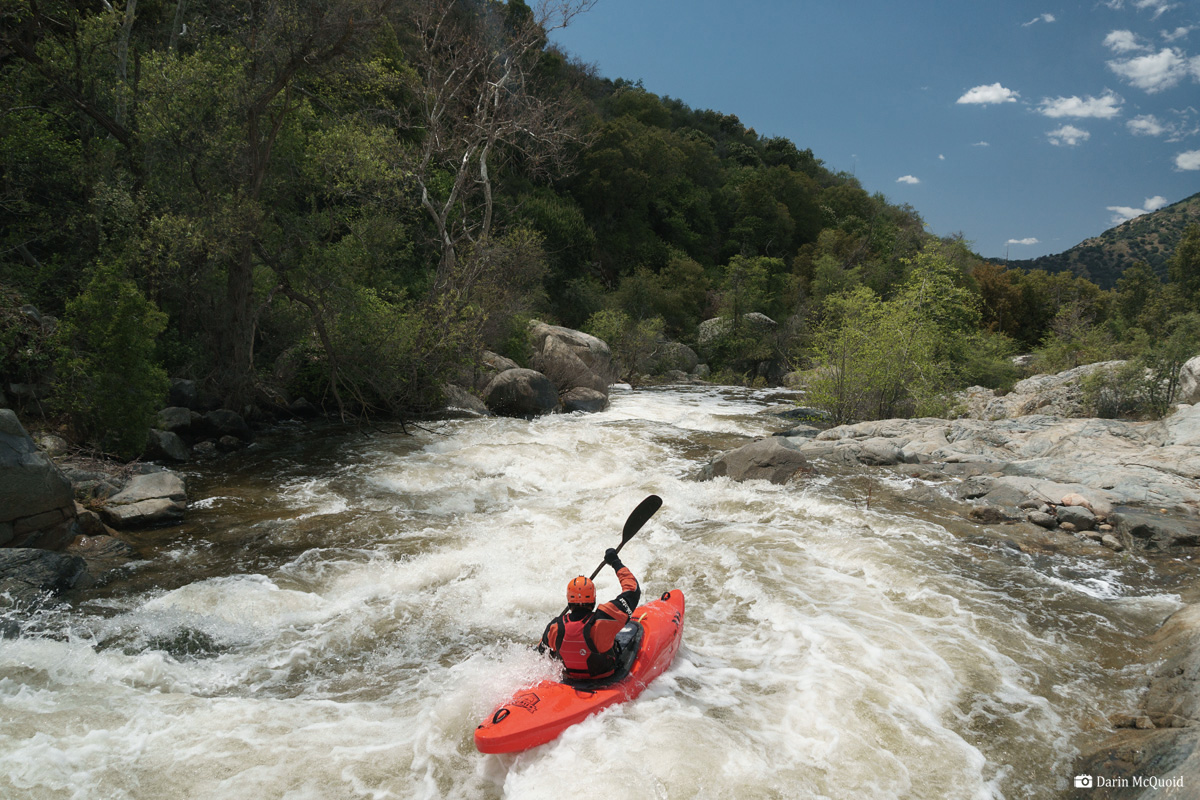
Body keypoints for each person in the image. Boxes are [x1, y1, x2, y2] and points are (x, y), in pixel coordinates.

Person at [539, 548, 641, 681]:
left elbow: (541, 653)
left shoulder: (554, 627)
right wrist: (616, 562)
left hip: (571, 678)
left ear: (569, 601)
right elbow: (633, 590)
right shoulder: (606, 618)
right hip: (604, 676)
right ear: (593, 600)